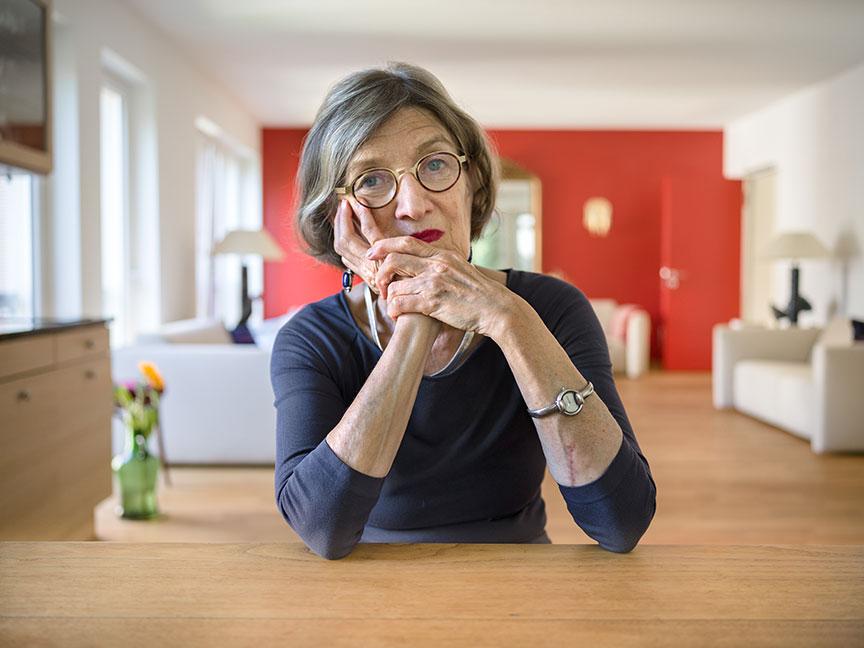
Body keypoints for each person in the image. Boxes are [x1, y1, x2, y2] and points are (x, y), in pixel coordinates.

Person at [271, 62, 656, 560]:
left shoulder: (551, 308)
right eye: (372, 179)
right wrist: (416, 315)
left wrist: (511, 321)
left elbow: (620, 522)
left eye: (434, 165)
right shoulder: (310, 337)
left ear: (469, 180)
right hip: (367, 587)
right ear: (338, 215)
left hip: (518, 579)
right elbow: (323, 529)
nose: (412, 205)